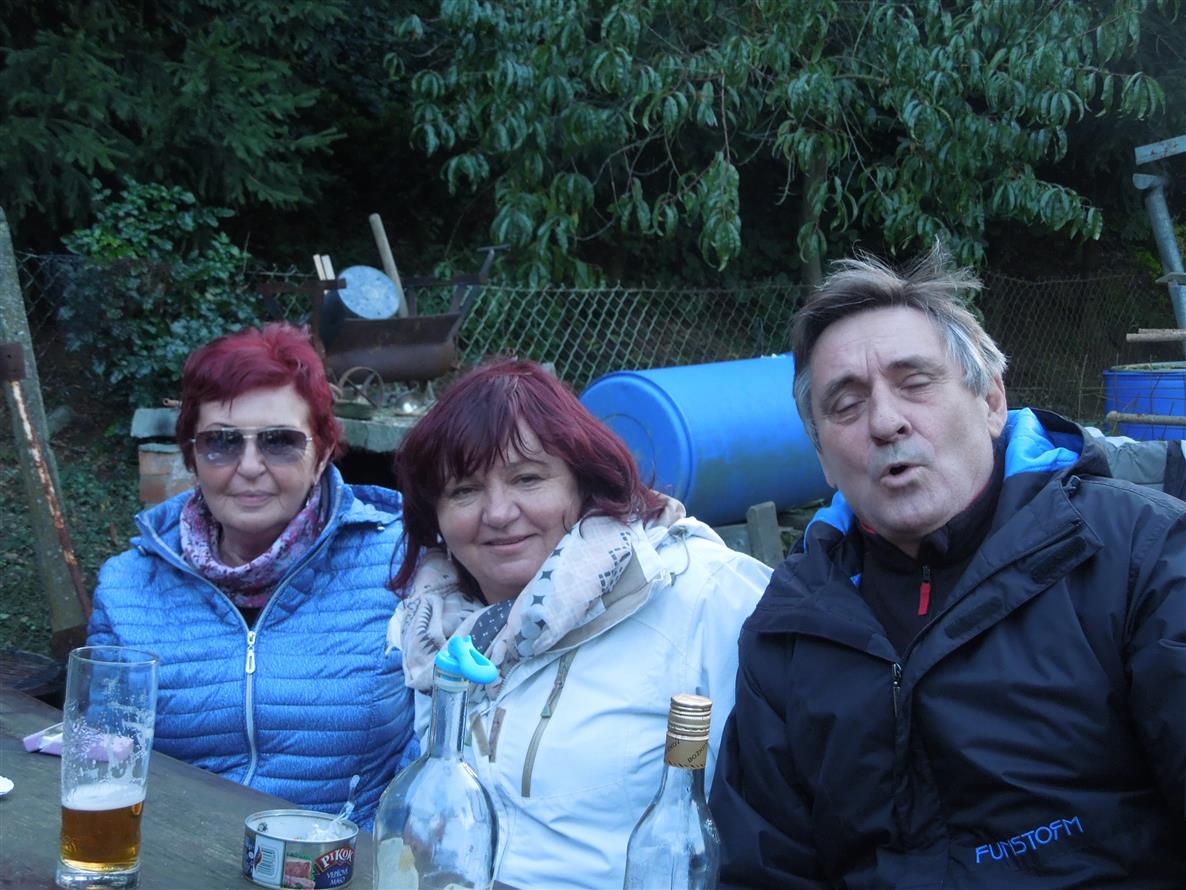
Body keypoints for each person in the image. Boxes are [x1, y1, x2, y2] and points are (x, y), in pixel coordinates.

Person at [710, 246, 1186, 887]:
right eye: (846, 405)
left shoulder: (1140, 557)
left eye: (915, 382)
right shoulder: (788, 632)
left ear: (991, 402)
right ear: (823, 460)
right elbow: (766, 869)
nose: (885, 422)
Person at [389, 358, 771, 890]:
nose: (498, 513)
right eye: (464, 490)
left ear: (585, 485)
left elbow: (781, 823)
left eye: (527, 478)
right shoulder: (432, 627)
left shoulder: (699, 594)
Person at [89, 323, 415, 829]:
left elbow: (437, 746)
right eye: (220, 442)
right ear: (192, 456)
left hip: (342, 859)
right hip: (177, 856)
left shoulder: (400, 564)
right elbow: (103, 756)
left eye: (280, 442)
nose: (249, 466)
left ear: (322, 453)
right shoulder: (128, 587)